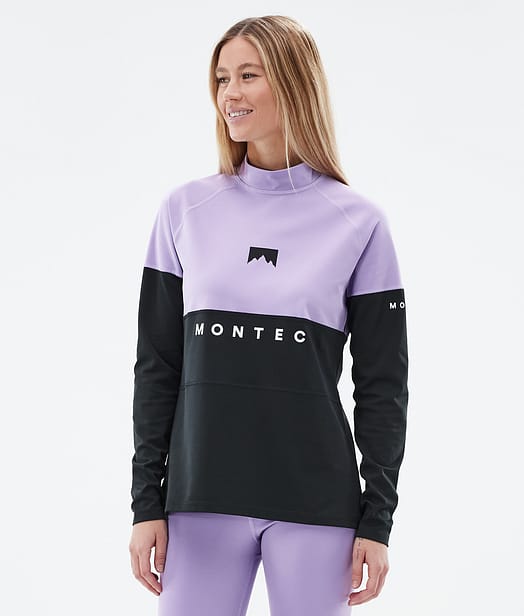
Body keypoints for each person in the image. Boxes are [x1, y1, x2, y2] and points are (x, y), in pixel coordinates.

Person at [128, 14, 409, 616]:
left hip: (317, 503)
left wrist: (378, 520)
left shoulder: (359, 223)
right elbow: (156, 367)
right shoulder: (184, 210)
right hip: (200, 499)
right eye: (222, 78)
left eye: (248, 75)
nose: (230, 93)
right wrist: (145, 502)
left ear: (294, 82)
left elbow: (383, 387)